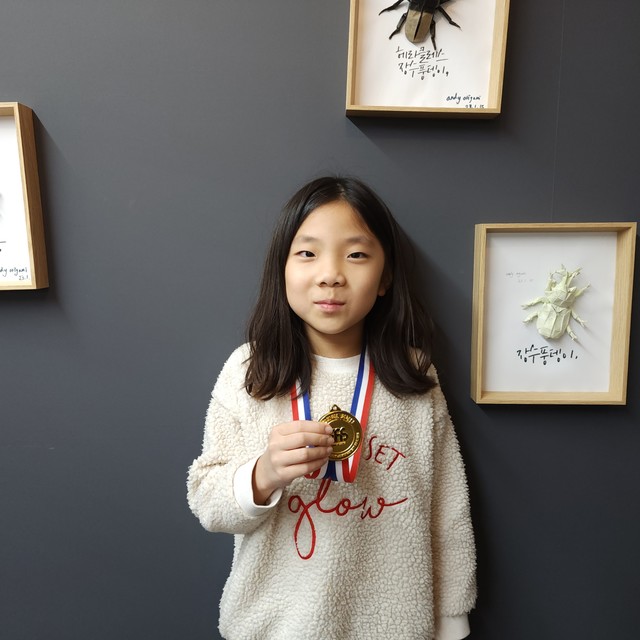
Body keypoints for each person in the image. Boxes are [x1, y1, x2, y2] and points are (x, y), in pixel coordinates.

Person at [187, 176, 476, 640]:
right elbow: (206, 498)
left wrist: (452, 619)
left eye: (356, 255)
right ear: (281, 269)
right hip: (277, 627)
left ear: (385, 278)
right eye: (307, 253)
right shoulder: (250, 371)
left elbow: (448, 507)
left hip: (396, 626)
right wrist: (263, 474)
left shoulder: (414, 374)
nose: (330, 275)